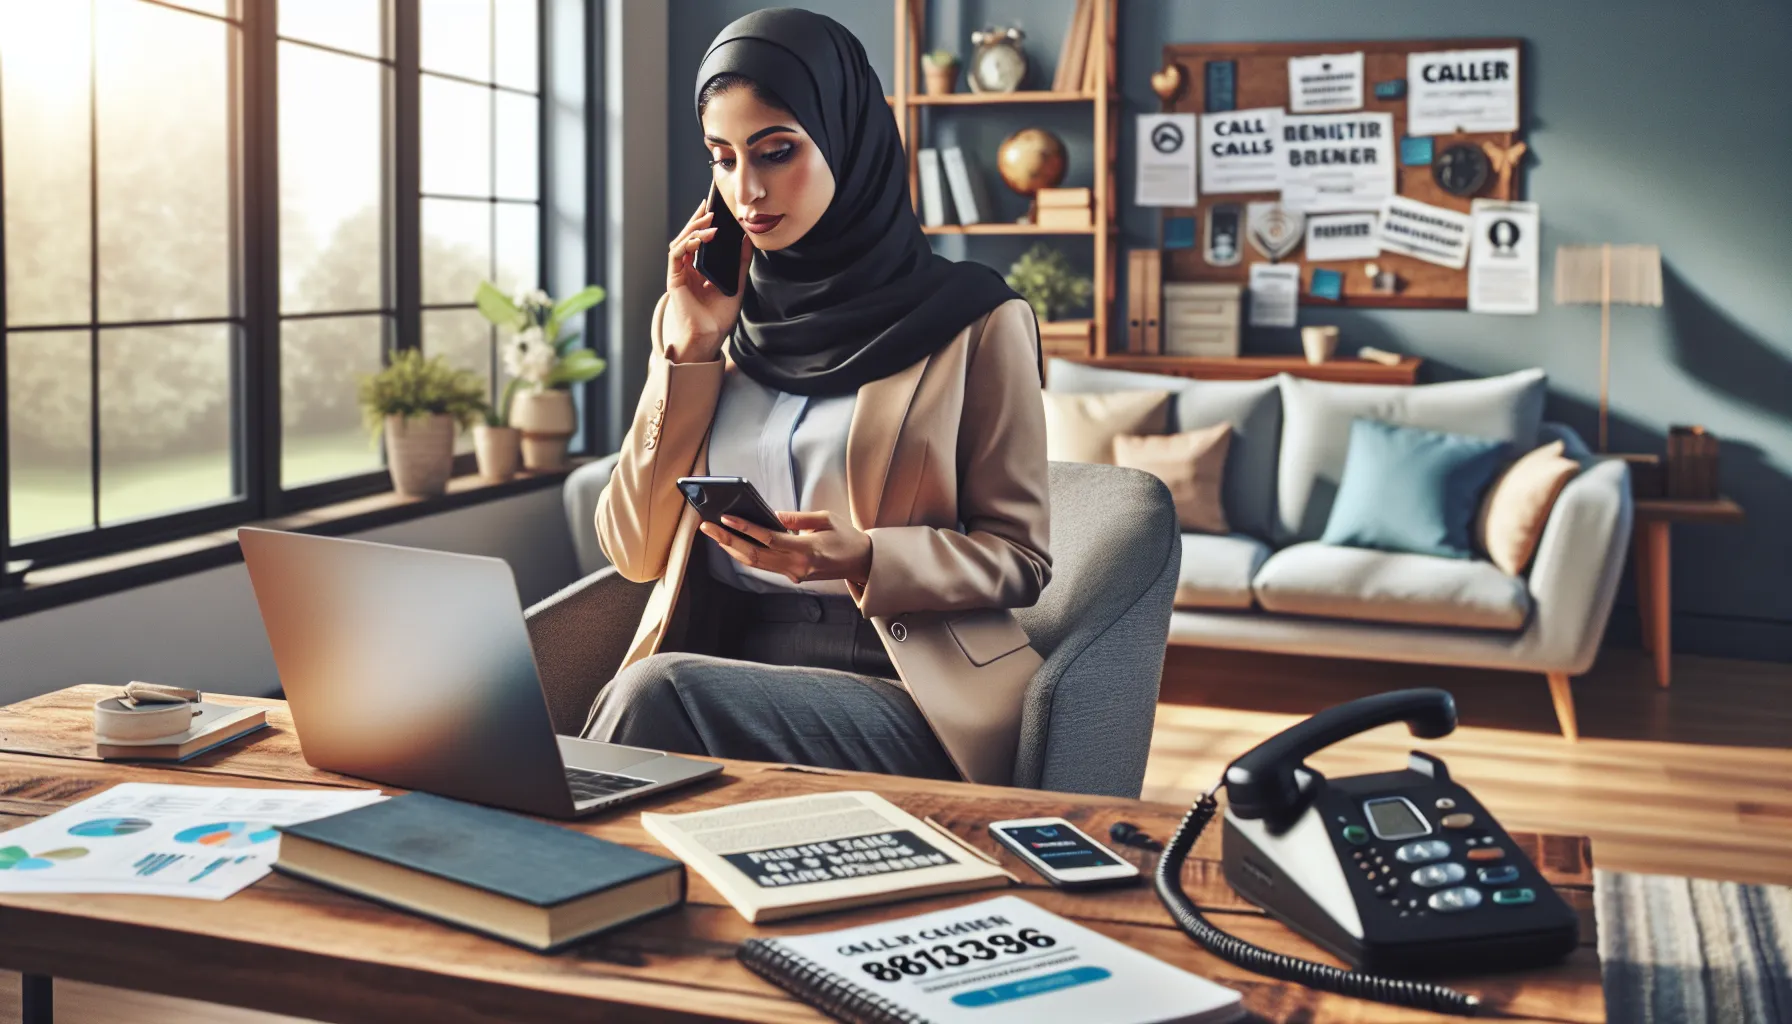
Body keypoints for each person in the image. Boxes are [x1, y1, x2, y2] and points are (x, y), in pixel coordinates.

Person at [583, 8, 1050, 786]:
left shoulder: (978, 321)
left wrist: (865, 555)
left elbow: (1021, 560)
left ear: (847, 140)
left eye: (777, 152)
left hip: (904, 682)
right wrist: (688, 352)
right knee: (651, 697)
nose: (746, 190)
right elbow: (633, 552)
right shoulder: (707, 319)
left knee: (653, 695)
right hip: (724, 662)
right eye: (723, 159)